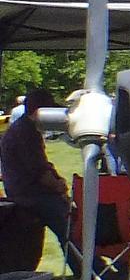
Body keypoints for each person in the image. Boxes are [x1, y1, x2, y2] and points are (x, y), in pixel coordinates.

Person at [0, 88, 73, 245]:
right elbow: (39, 172)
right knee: (70, 228)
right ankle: (93, 267)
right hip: (28, 195)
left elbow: (43, 165)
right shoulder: (24, 133)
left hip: (30, 192)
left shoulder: (26, 129)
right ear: (39, 112)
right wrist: (58, 186)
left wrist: (58, 180)